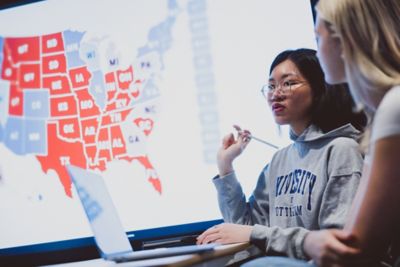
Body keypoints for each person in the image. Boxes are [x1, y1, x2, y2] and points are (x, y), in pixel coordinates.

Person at [242, 0, 400, 266]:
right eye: (271, 86)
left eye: (318, 37)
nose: (276, 93)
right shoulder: (384, 113)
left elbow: (351, 246)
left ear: (343, 39)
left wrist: (261, 235)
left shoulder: (391, 109)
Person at [196, 48, 367, 260]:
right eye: (270, 85)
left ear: (319, 89)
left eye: (288, 83)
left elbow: (334, 243)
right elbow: (243, 230)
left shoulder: (342, 149)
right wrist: (226, 166)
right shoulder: (279, 159)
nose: (275, 93)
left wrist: (255, 234)